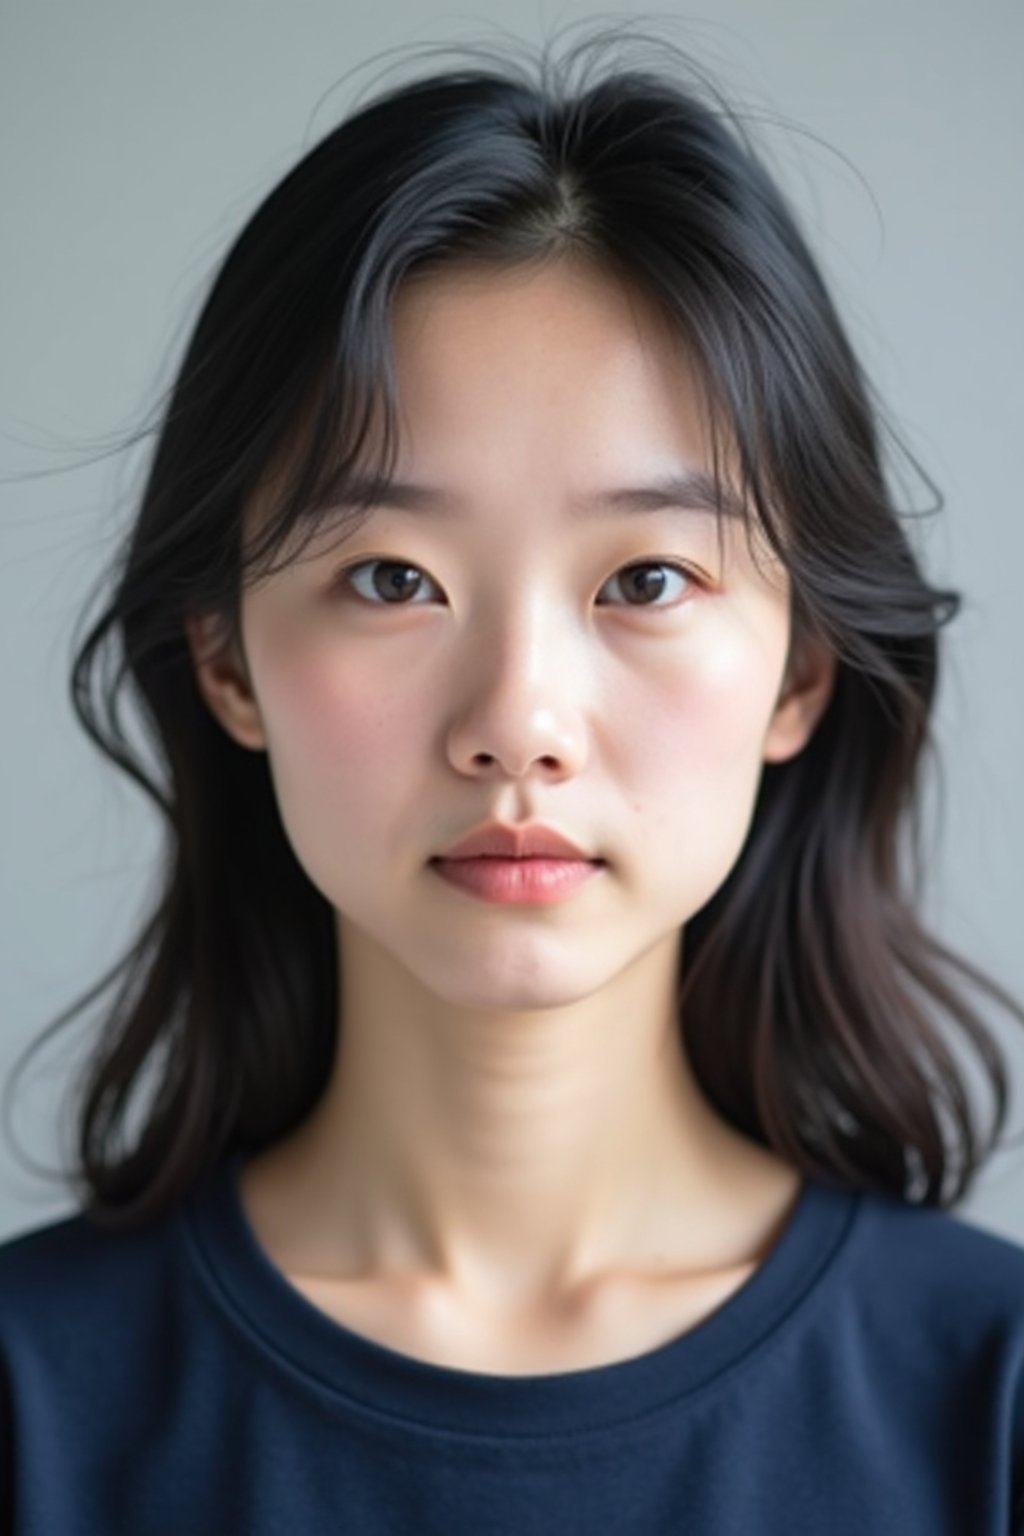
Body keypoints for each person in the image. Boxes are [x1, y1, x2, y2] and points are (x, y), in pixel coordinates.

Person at [2, 22, 1023, 1533]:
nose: (518, 723)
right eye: (395, 579)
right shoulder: (32, 1404)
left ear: (799, 673)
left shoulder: (988, 1400)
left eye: (651, 579)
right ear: (228, 664)